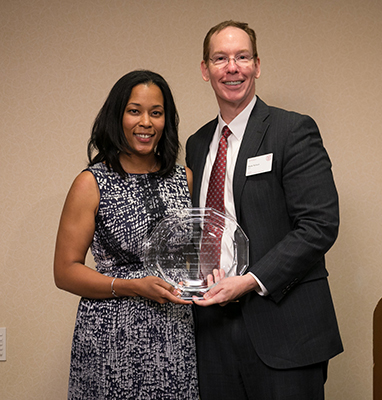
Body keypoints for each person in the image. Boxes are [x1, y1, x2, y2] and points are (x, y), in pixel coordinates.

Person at [185, 21, 343, 399]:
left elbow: (319, 225)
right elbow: (197, 227)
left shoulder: (292, 131)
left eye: (242, 56)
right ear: (205, 70)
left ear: (257, 64)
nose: (232, 67)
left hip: (285, 330)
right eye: (220, 58)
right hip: (211, 332)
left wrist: (251, 279)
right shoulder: (196, 143)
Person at [54, 70, 198, 399]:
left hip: (174, 332)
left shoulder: (184, 179)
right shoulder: (91, 183)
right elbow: (65, 272)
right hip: (110, 334)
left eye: (156, 113)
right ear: (117, 117)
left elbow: (194, 257)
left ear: (166, 121)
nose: (145, 122)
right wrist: (132, 287)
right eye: (134, 111)